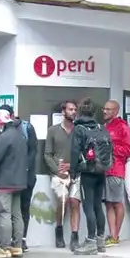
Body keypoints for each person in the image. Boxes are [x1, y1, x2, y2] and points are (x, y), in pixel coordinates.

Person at [0, 109, 28, 258]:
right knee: (17, 214)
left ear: (0, 123)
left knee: (3, 214)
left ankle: (4, 248)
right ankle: (17, 247)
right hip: (19, 181)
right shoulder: (19, 135)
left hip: (4, 182)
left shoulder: (3, 137)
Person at [70, 98, 112, 255]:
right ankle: (101, 240)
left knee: (88, 206)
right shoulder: (101, 127)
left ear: (80, 111)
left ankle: (90, 241)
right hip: (101, 170)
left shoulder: (79, 129)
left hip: (87, 171)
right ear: (94, 112)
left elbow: (74, 152)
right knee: (97, 206)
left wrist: (73, 172)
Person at [0, 105, 38, 252]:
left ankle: (21, 240)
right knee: (10, 209)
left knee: (24, 207)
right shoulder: (0, 128)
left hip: (26, 175)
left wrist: (25, 169)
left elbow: (33, 151)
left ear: (13, 115)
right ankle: (9, 240)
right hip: (10, 177)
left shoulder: (27, 127)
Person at [44, 100, 79, 250]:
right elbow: (47, 154)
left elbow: (83, 154)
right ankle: (59, 230)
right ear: (63, 112)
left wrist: (72, 167)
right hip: (58, 174)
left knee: (75, 202)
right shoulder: (53, 130)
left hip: (76, 172)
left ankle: (74, 236)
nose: (74, 112)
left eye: (75, 109)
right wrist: (57, 171)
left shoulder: (79, 130)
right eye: (71, 109)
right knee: (62, 200)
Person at [102, 100, 130, 246]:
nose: (104, 111)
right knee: (108, 203)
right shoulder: (103, 127)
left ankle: (115, 235)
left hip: (116, 169)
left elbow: (129, 150)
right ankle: (112, 235)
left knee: (117, 202)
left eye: (108, 109)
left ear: (115, 111)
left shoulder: (122, 127)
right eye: (104, 108)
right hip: (103, 170)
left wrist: (110, 148)